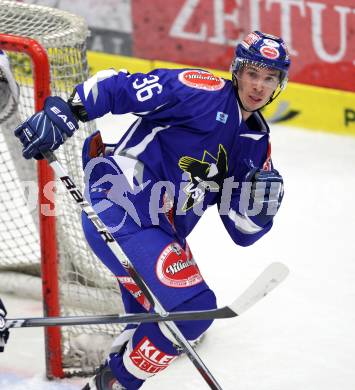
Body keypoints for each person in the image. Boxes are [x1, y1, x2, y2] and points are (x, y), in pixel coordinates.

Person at [14, 31, 290, 389]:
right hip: (121, 204)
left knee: (150, 327)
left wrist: (259, 211)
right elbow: (120, 86)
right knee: (191, 310)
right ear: (237, 71)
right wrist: (69, 110)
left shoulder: (256, 143)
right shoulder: (200, 90)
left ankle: (111, 379)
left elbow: (240, 230)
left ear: (279, 84)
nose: (259, 85)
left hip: (159, 230)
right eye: (253, 73)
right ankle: (113, 383)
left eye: (270, 78)